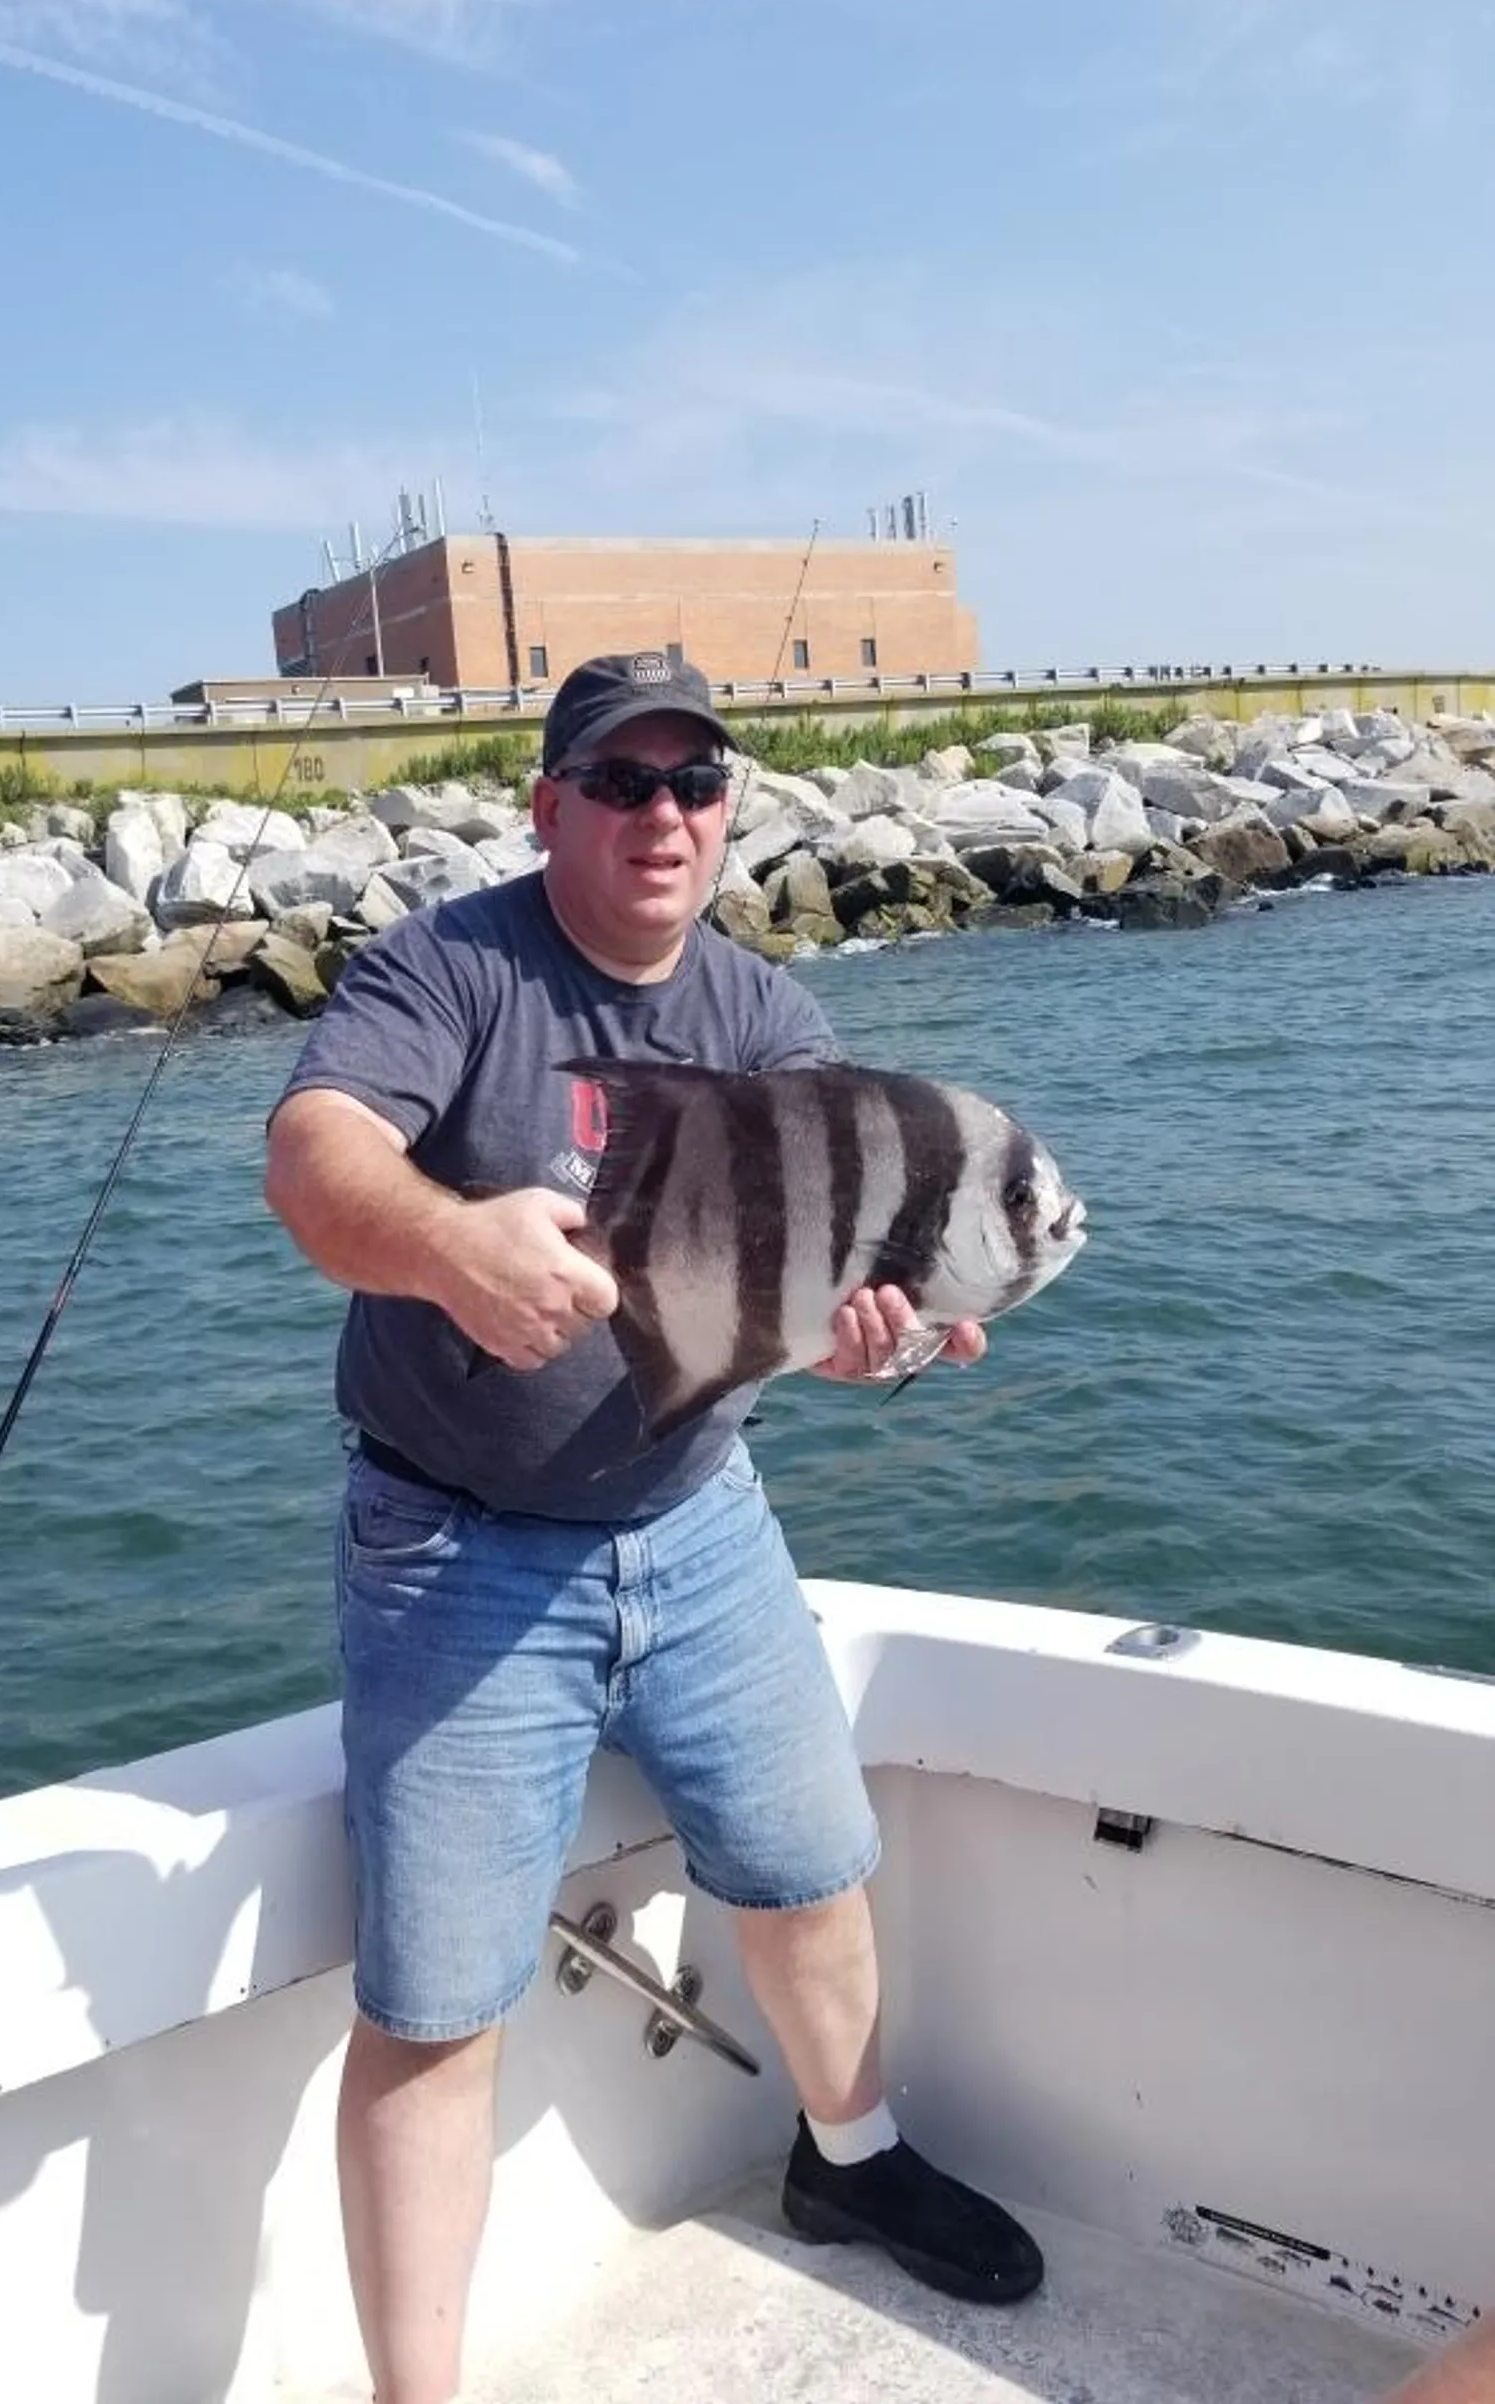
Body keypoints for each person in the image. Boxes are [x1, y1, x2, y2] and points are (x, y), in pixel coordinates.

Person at [265, 649, 1044, 2404]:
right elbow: (315, 1158)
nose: (664, 815)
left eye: (696, 783)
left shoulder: (770, 1021)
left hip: (701, 1523)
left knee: (816, 1868)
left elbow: (843, 1281)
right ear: (548, 806)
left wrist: (886, 1349)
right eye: (620, 782)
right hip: (455, 1551)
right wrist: (450, 1245)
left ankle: (848, 2163)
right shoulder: (453, 971)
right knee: (439, 2004)